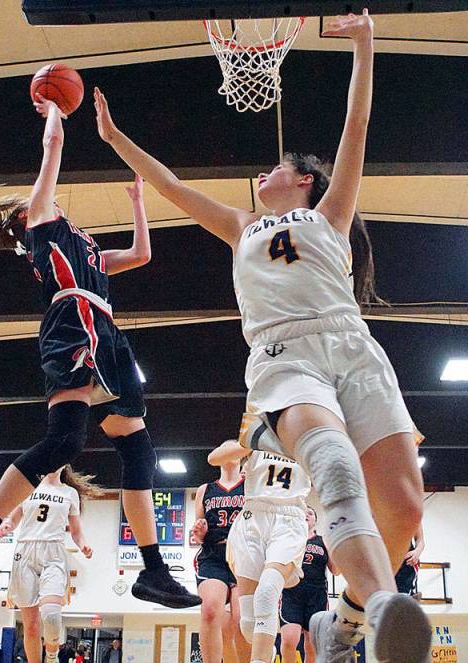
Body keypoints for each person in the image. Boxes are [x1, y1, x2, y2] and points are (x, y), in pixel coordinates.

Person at [93, 10, 429, 661]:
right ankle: (384, 605)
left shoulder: (330, 213)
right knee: (332, 462)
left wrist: (365, 43)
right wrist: (113, 138)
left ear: (303, 180)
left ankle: (349, 620)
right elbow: (171, 185)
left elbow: (356, 123)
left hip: (355, 349)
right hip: (285, 355)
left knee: (407, 509)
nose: (264, 172)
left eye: (278, 167)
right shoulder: (242, 223)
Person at [0, 95, 198, 614]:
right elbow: (52, 145)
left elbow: (142, 255)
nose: (50, 195)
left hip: (106, 331)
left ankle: (152, 571)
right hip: (72, 321)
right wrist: (54, 108)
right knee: (64, 442)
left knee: (139, 451)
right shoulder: (41, 224)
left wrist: (139, 204)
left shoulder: (88, 247)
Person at [208, 440, 311, 663]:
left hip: (289, 519)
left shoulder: (306, 431)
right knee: (247, 624)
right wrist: (253, 439)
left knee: (266, 594)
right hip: (252, 517)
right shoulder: (259, 432)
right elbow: (214, 458)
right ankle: (266, 652)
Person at [0, 467, 99, 663]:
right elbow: (14, 518)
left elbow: (76, 532)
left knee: (51, 616)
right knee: (32, 626)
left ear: (65, 464)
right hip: (25, 551)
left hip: (54, 553)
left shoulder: (70, 493)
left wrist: (83, 545)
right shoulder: (28, 486)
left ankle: (51, 657)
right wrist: (7, 526)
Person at [191, 449, 249, 663]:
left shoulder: (251, 485)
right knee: (209, 610)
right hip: (213, 554)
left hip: (244, 555)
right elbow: (197, 530)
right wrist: (199, 531)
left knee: (242, 620)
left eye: (234, 448)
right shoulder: (205, 489)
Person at [279, 507, 337, 663]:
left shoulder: (323, 540)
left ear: (315, 520)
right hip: (291, 593)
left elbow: (336, 570)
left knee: (312, 645)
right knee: (289, 640)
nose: (306, 515)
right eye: (303, 512)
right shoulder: (287, 539)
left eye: (310, 513)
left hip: (316, 595)